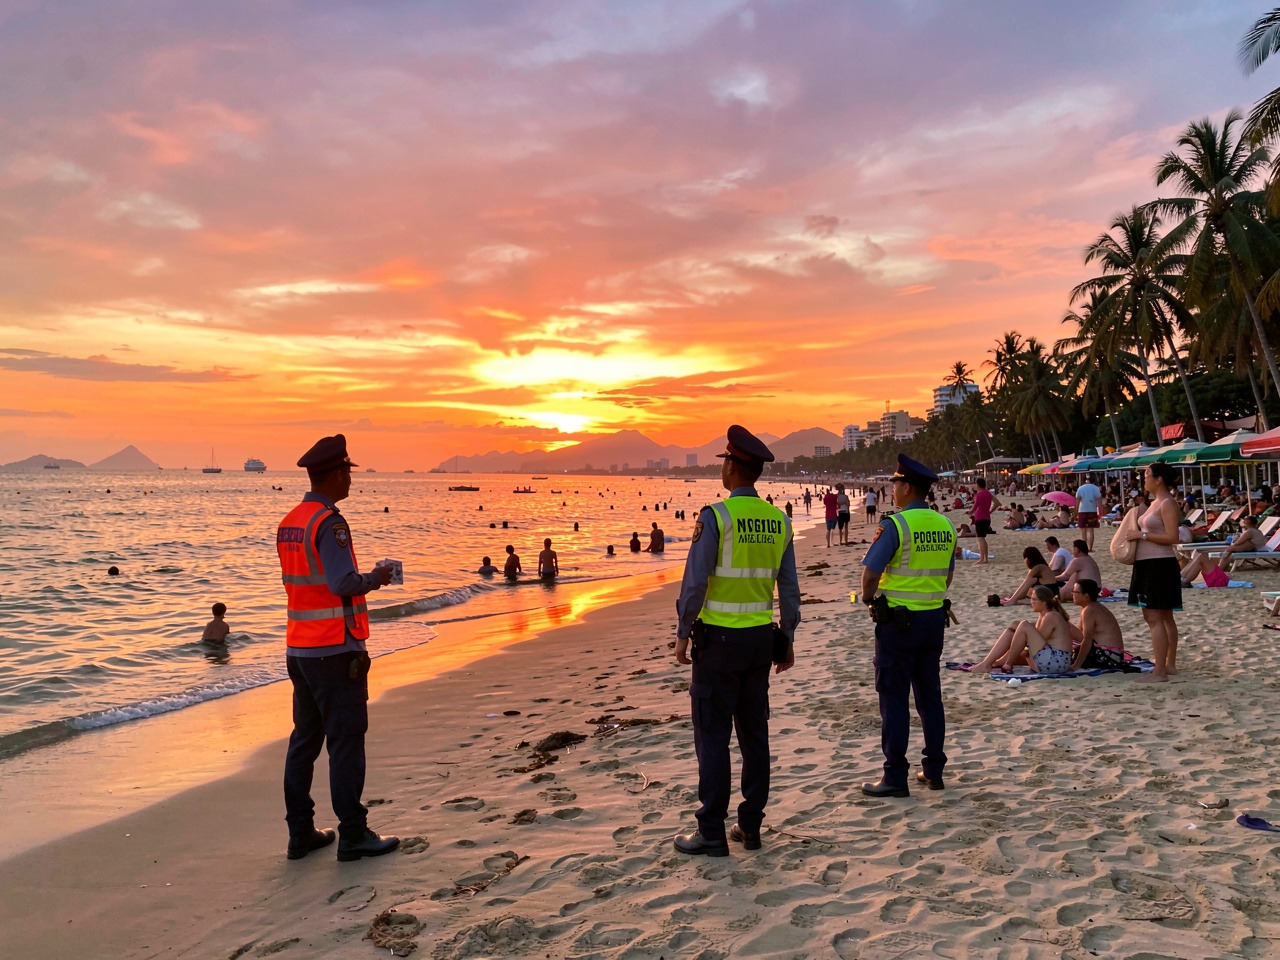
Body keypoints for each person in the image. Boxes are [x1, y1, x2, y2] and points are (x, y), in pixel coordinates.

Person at [673, 425, 799, 856]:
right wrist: (787, 636)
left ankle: (711, 830)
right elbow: (789, 588)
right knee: (753, 734)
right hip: (759, 644)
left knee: (712, 736)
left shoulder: (716, 517)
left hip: (718, 644)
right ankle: (751, 826)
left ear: (731, 466)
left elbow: (695, 583)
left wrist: (682, 633)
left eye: (723, 462)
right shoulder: (778, 520)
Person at [276, 434, 398, 862]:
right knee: (346, 741)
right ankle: (353, 832)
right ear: (335, 472)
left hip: (299, 649)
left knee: (304, 741)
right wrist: (377, 578)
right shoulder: (331, 523)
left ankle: (300, 832)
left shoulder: (292, 520)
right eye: (348, 471)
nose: (351, 479)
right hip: (334, 649)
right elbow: (341, 583)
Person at [859, 454, 956, 797]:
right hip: (933, 620)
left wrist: (869, 600)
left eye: (895, 483)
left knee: (894, 698)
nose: (892, 488)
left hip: (898, 622)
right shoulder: (945, 525)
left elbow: (870, 573)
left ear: (907, 487)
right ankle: (933, 771)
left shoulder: (896, 525)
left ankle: (895, 777)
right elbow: (947, 576)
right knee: (930, 697)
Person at [1123, 462, 1182, 683]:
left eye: (1147, 475)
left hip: (1159, 564)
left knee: (1154, 616)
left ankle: (1160, 671)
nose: (1143, 479)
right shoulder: (1155, 502)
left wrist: (1142, 536)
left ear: (1158, 479)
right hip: (1150, 563)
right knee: (1164, 616)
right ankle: (1169, 664)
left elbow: (1173, 537)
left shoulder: (1167, 503)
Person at [972, 585, 1074, 675]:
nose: (1031, 602)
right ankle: (990, 663)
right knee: (1015, 627)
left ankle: (1007, 664)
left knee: (1024, 625)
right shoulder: (1044, 615)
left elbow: (1039, 641)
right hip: (1054, 662)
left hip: (1056, 663)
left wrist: (1023, 649)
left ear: (1043, 602)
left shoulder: (1051, 615)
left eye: (1034, 599)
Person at [1180, 515, 1268, 587]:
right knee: (1198, 554)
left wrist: (1233, 543)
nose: (1242, 521)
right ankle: (1181, 579)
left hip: (1218, 578)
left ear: (1248, 522)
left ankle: (1183, 580)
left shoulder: (1250, 532)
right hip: (1219, 576)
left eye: (1244, 519)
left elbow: (1237, 543)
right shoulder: (1255, 531)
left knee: (1200, 556)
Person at [1068, 579, 1127, 671]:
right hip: (1115, 655)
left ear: (1086, 596)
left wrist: (1076, 665)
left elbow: (1087, 640)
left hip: (1109, 657)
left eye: (1075, 592)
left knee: (1066, 627)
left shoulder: (1090, 610)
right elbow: (1081, 634)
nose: (1072, 594)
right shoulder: (1092, 607)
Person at [970, 476, 1000, 564]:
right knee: (982, 538)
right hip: (987, 518)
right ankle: (985, 558)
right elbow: (997, 503)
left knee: (980, 538)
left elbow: (976, 505)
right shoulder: (988, 493)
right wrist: (990, 511)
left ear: (978, 485)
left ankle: (982, 558)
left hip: (980, 518)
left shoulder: (979, 494)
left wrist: (970, 512)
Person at [1075, 479, 1103, 551]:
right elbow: (1099, 501)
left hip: (1082, 511)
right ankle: (1090, 548)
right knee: (1091, 530)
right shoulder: (1095, 488)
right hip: (1092, 511)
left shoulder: (1081, 488)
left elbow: (1077, 500)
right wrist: (1101, 512)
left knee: (1083, 531)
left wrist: (1076, 512)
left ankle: (1085, 549)